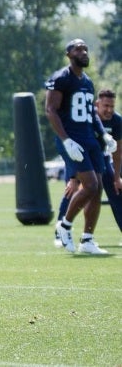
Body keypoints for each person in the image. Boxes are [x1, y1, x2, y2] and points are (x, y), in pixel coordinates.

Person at [45, 39, 116, 254]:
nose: (84, 52)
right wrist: (66, 140)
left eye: (85, 48)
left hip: (89, 138)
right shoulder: (61, 79)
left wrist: (104, 135)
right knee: (91, 185)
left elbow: (91, 113)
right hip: (71, 139)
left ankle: (87, 240)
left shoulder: (87, 81)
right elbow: (50, 110)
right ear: (68, 54)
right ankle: (65, 225)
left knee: (98, 188)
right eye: (78, 49)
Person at [54, 88, 122, 247]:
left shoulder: (117, 121)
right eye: (105, 106)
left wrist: (117, 177)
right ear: (97, 104)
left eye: (112, 106)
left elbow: (118, 152)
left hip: (102, 159)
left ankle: (88, 238)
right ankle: (60, 231)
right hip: (80, 158)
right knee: (72, 190)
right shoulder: (85, 119)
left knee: (116, 190)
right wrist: (72, 177)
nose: (109, 110)